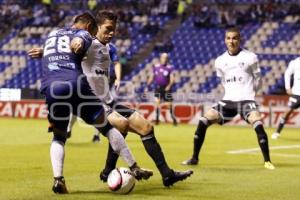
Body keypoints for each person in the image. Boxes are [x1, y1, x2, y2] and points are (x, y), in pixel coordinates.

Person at [35, 12, 153, 194]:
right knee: (108, 128)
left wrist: (43, 53)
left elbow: (59, 51)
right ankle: (134, 166)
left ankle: (58, 179)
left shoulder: (53, 34)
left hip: (52, 89)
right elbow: (81, 38)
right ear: (90, 26)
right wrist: (81, 41)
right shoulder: (84, 34)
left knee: (58, 137)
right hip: (77, 86)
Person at [88, 11, 193, 187]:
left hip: (108, 101)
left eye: (114, 29)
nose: (112, 33)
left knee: (146, 127)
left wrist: (118, 78)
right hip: (92, 103)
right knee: (121, 126)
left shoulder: (110, 48)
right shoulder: (86, 44)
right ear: (97, 27)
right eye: (108, 29)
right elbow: (68, 53)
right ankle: (110, 170)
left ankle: (167, 175)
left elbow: (116, 63)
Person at [181, 27, 275, 170]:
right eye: (228, 38)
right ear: (225, 40)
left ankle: (267, 161)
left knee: (257, 121)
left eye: (234, 38)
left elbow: (258, 79)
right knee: (203, 120)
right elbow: (223, 81)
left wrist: (251, 94)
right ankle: (194, 158)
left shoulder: (250, 57)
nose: (231, 41)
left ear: (240, 39)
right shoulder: (219, 60)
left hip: (246, 99)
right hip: (228, 100)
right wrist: (229, 94)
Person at [272, 57, 300, 139]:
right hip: (297, 93)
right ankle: (277, 132)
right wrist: (288, 87)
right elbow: (287, 74)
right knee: (288, 111)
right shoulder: (295, 62)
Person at [147, 53, 177, 125]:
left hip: (167, 88)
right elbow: (152, 76)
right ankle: (157, 120)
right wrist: (149, 83)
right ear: (160, 58)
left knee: (169, 105)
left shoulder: (170, 67)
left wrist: (169, 86)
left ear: (167, 59)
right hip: (158, 88)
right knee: (157, 103)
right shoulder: (156, 67)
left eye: (166, 58)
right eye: (163, 57)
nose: (164, 59)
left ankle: (173, 119)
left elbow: (172, 78)